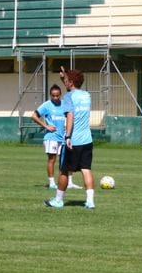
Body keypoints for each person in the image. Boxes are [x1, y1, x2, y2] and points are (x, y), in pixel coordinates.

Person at [45, 67, 96, 209]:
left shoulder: (68, 97)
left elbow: (70, 116)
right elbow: (72, 89)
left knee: (64, 171)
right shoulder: (87, 95)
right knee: (86, 169)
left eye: (66, 80)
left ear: (71, 82)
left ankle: (58, 200)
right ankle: (90, 201)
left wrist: (67, 136)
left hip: (73, 141)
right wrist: (64, 77)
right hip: (87, 140)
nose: (65, 82)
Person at [31, 85, 80, 190]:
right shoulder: (46, 105)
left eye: (57, 95)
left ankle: (70, 182)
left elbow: (70, 117)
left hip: (64, 137)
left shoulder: (65, 105)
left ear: (60, 94)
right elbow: (34, 116)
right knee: (52, 159)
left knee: (67, 159)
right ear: (50, 95)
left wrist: (67, 127)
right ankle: (52, 183)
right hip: (51, 137)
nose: (55, 98)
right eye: (53, 96)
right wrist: (46, 126)